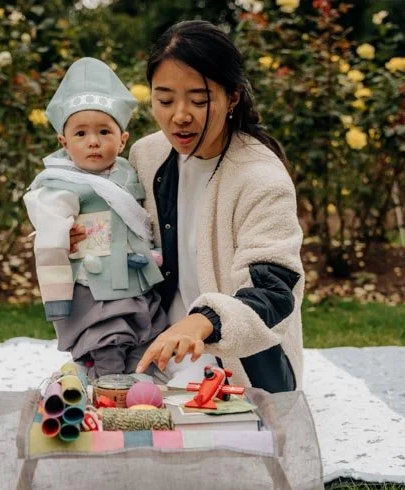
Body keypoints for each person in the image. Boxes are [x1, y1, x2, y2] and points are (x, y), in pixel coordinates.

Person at [107, 20, 303, 391]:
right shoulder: (147, 155)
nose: (180, 115)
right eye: (165, 100)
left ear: (233, 97)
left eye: (199, 100)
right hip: (155, 347)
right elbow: (127, 230)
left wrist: (203, 321)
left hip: (239, 366)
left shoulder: (262, 179)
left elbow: (274, 290)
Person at [24, 57, 168, 380]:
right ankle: (108, 389)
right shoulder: (60, 184)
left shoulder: (129, 173)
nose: (93, 141)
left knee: (143, 334)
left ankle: (140, 385)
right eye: (81, 133)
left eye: (104, 131)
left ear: (123, 139)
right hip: (94, 286)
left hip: (135, 279)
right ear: (63, 143)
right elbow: (49, 234)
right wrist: (57, 239)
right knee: (107, 339)